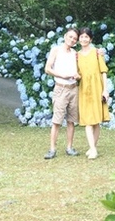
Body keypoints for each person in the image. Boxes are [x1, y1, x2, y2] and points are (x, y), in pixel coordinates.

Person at [43, 28, 81, 159]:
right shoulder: (56, 50)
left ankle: (69, 147)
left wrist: (77, 76)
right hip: (61, 88)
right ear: (65, 36)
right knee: (57, 121)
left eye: (75, 39)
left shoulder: (74, 53)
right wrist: (62, 75)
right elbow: (47, 69)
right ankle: (52, 149)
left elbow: (78, 71)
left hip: (73, 88)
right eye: (70, 37)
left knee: (71, 120)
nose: (72, 40)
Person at [76, 27, 110, 159]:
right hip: (84, 90)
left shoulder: (97, 53)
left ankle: (92, 147)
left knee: (96, 121)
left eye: (86, 37)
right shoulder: (76, 55)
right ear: (79, 39)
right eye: (82, 37)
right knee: (88, 121)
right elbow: (76, 73)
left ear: (90, 39)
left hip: (97, 88)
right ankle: (93, 149)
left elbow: (103, 72)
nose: (84, 39)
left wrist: (105, 89)